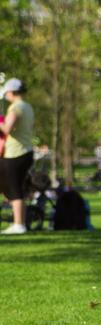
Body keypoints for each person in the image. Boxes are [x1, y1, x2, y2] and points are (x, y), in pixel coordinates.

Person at [0, 78, 35, 235]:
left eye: (7, 92)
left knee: (14, 189)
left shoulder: (16, 107)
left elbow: (7, 129)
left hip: (15, 153)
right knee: (18, 189)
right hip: (26, 151)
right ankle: (20, 223)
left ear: (12, 92)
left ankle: (18, 224)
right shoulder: (28, 107)